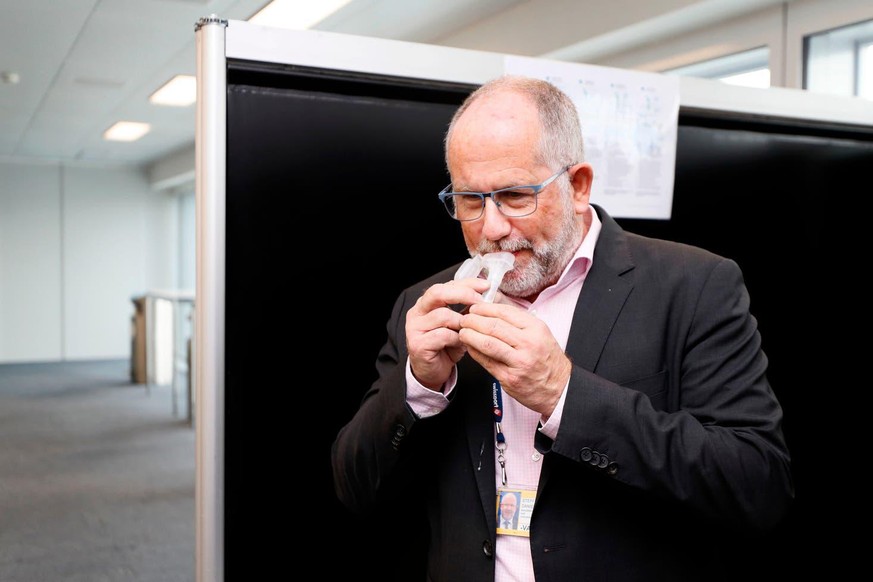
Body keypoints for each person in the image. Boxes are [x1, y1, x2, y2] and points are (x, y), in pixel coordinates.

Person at [331, 74, 793, 581]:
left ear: (577, 186)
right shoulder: (425, 305)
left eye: (513, 195)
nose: (491, 229)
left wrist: (564, 394)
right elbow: (356, 490)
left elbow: (757, 485)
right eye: (469, 200)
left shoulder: (694, 286)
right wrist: (418, 387)